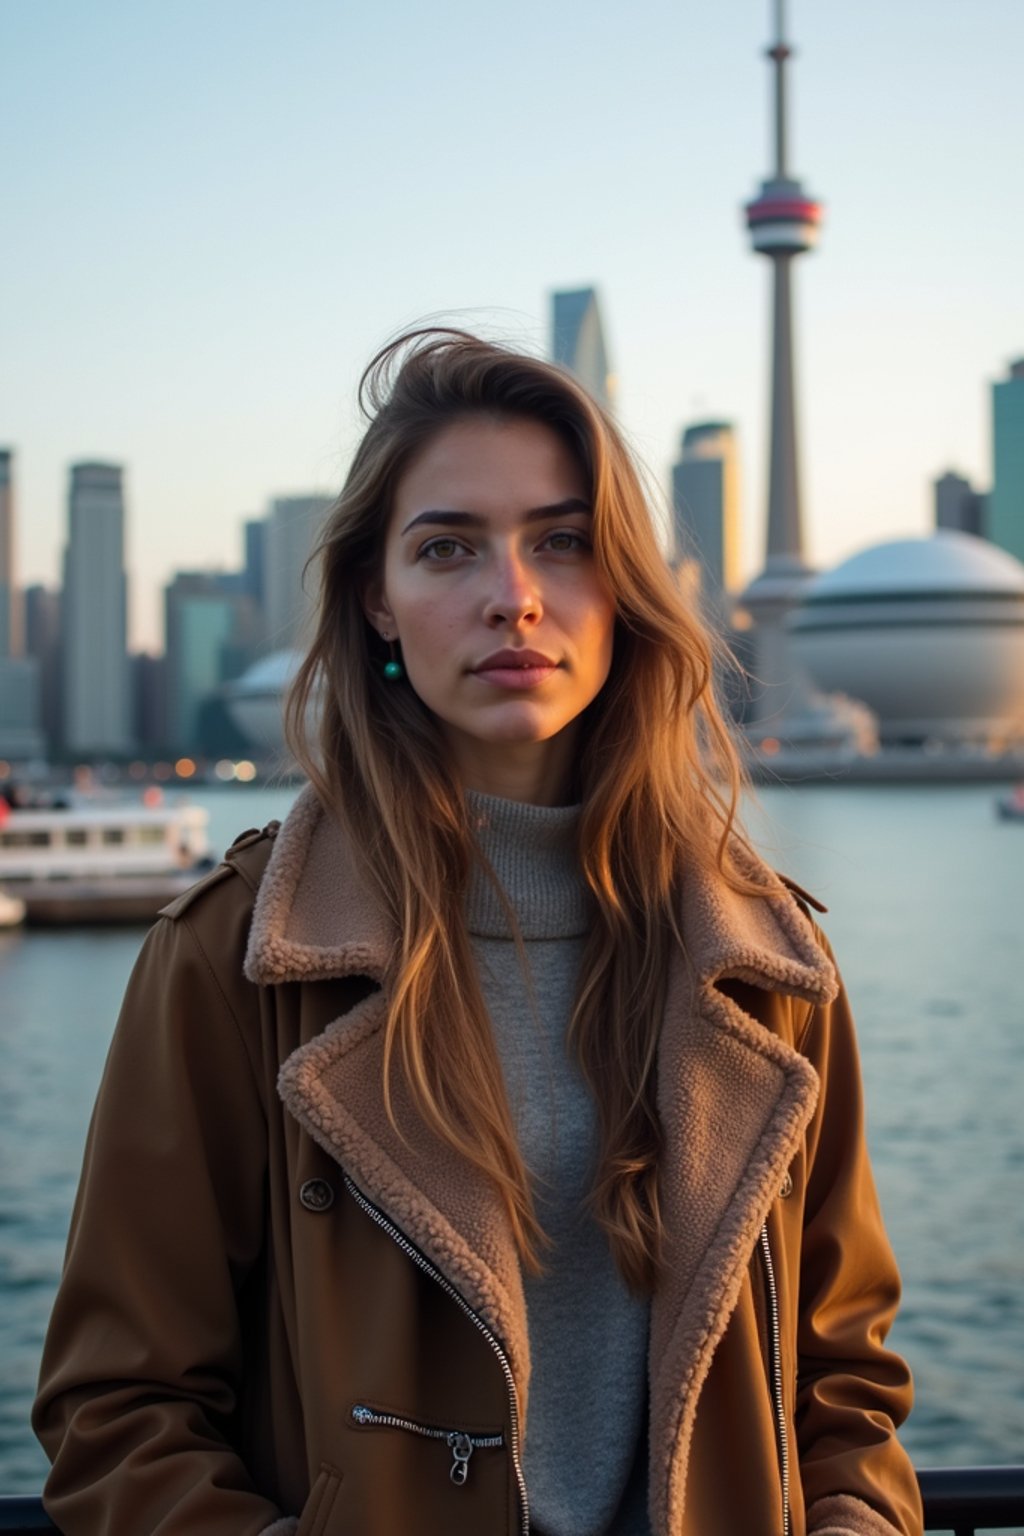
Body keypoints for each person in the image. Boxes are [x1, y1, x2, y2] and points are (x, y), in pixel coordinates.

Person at [33, 329, 924, 1536]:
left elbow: (844, 1389)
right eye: (447, 547)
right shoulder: (236, 959)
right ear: (376, 600)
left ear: (623, 588)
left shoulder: (762, 964)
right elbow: (117, 1412)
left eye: (561, 541)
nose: (512, 594)